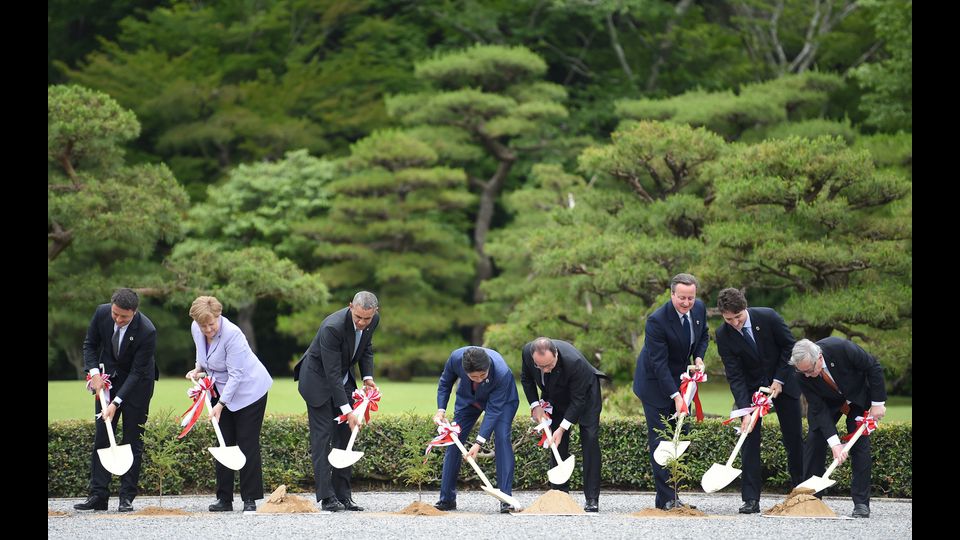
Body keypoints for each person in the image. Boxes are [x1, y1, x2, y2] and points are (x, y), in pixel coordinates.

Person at [714, 288, 804, 514]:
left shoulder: (768, 316)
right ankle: (751, 499)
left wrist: (779, 379)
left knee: (793, 439)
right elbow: (734, 374)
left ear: (745, 308)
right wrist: (744, 409)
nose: (734, 323)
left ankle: (801, 493)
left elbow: (789, 346)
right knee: (749, 440)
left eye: (738, 317)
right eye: (728, 319)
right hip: (751, 391)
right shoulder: (723, 334)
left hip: (783, 385)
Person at [185, 296, 273, 513]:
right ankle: (224, 499)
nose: (207, 329)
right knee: (224, 441)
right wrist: (198, 368)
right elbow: (202, 353)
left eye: (211, 324)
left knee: (246, 442)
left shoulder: (233, 334)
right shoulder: (197, 328)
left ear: (219, 316)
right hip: (219, 387)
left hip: (249, 390)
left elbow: (236, 375)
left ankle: (250, 499)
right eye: (203, 325)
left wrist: (221, 404)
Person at [74, 288, 159, 513]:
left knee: (133, 438)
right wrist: (94, 374)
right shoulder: (101, 313)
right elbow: (90, 344)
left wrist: (115, 403)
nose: (119, 320)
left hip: (138, 384)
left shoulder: (147, 330)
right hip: (107, 381)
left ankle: (126, 497)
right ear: (111, 307)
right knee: (102, 435)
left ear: (134, 312)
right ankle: (98, 495)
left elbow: (138, 371)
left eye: (124, 317)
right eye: (116, 314)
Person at [293, 291, 380, 512]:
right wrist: (346, 410)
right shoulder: (332, 327)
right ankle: (327, 497)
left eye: (366, 319)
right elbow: (331, 374)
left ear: (374, 313)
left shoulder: (372, 321)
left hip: (343, 378)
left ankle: (344, 495)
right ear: (351, 306)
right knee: (323, 437)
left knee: (346, 436)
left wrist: (367, 377)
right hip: (317, 381)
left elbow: (365, 347)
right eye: (358, 317)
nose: (362, 322)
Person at [632, 273, 708, 510]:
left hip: (683, 380)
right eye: (682, 298)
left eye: (691, 298)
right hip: (655, 384)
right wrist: (675, 397)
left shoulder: (699, 309)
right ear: (672, 294)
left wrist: (698, 357)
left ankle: (672, 495)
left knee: (680, 436)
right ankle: (667, 499)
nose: (686, 303)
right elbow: (658, 364)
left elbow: (703, 335)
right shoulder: (657, 320)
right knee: (663, 439)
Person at [790, 338, 887, 518]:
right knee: (815, 439)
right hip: (827, 403)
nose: (808, 375)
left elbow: (873, 366)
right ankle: (811, 499)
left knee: (860, 444)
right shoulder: (801, 374)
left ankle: (861, 504)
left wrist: (878, 403)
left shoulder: (841, 347)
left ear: (819, 357)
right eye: (802, 371)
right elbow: (818, 408)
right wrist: (835, 443)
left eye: (810, 370)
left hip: (857, 397)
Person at [520, 337, 608, 512]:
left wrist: (563, 427)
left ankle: (592, 498)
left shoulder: (574, 362)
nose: (545, 370)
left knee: (589, 439)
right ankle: (559, 493)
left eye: (549, 366)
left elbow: (578, 400)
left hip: (585, 396)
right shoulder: (527, 353)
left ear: (556, 355)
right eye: (540, 367)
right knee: (557, 442)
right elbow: (526, 379)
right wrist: (535, 406)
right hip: (555, 395)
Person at [433, 346, 520, 513]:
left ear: (488, 367)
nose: (479, 379)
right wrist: (441, 409)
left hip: (502, 402)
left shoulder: (501, 372)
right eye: (474, 376)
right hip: (468, 400)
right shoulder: (455, 358)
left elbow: (494, 411)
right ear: (464, 371)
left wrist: (478, 442)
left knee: (502, 438)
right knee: (453, 440)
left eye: (483, 375)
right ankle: (447, 499)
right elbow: (445, 383)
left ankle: (505, 498)